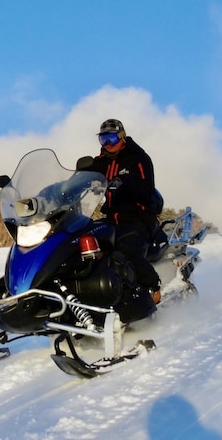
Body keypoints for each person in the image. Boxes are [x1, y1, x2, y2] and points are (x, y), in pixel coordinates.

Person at [86, 118, 163, 304]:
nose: (107, 144)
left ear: (122, 137)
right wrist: (55, 191)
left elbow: (146, 187)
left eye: (111, 138)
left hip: (139, 217)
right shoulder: (101, 161)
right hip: (112, 218)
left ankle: (153, 286)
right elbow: (81, 177)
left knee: (125, 249)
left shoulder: (138, 158)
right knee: (84, 245)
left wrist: (124, 185)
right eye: (103, 139)